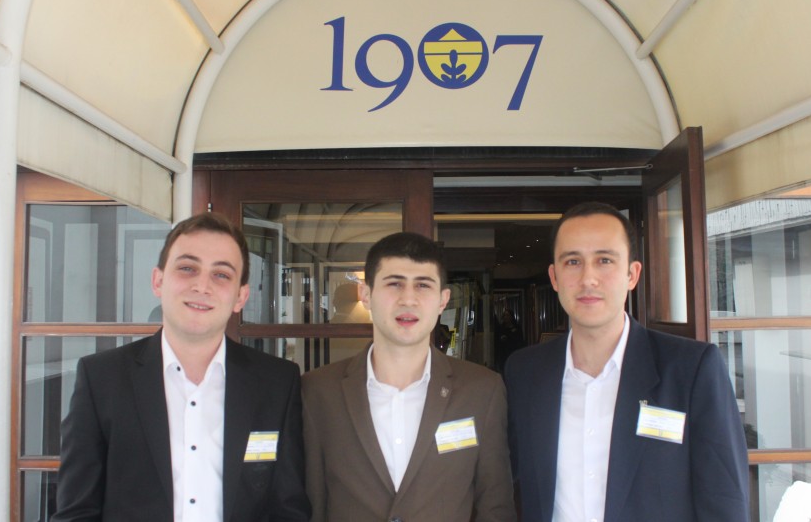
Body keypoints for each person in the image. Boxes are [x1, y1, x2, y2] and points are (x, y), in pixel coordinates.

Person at [53, 212, 310, 522]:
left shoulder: (277, 382)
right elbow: (76, 512)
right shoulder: (101, 379)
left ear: (240, 297)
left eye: (221, 274)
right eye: (187, 268)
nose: (202, 285)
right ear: (158, 281)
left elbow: (288, 509)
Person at [504, 202, 749, 522]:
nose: (588, 278)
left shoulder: (691, 370)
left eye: (604, 260)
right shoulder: (524, 373)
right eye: (573, 261)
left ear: (632, 274)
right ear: (554, 277)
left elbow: (724, 500)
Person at [301, 232, 515, 521]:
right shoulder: (318, 391)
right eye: (394, 284)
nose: (408, 299)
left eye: (423, 285)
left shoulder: (482, 391)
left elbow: (496, 507)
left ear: (443, 300)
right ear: (366, 295)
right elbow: (312, 503)